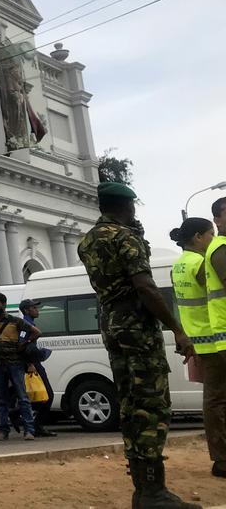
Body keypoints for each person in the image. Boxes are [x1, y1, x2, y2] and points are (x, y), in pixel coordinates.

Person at [78, 182, 196, 507]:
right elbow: (145, 287)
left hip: (111, 323)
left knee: (130, 403)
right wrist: (177, 330)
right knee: (152, 403)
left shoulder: (87, 241)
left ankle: (143, 488)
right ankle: (153, 492)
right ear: (127, 206)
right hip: (136, 324)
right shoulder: (124, 237)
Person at [174, 214, 225, 478]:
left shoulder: (179, 265)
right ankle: (222, 458)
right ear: (198, 238)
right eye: (209, 234)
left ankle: (220, 457)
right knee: (217, 402)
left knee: (213, 400)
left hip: (199, 340)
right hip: (215, 338)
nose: (212, 239)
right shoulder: (200, 263)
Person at [0, 290, 39, 441]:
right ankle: (3, 430)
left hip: (15, 364)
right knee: (1, 399)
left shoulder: (15, 321)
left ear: (4, 304)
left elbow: (35, 332)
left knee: (22, 397)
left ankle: (29, 430)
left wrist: (24, 344)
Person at [17, 298, 57, 437]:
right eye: (34, 308)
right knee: (47, 395)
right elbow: (21, 345)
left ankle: (36, 425)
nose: (37, 310)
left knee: (40, 396)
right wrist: (29, 363)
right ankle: (20, 415)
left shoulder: (30, 323)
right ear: (27, 310)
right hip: (31, 365)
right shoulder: (25, 325)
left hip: (34, 362)